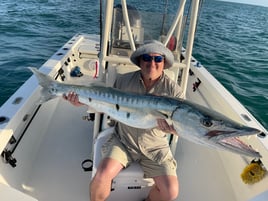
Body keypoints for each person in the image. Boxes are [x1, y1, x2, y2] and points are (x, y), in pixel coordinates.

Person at [64, 40, 182, 201]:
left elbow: (182, 126)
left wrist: (172, 129)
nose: (152, 63)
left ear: (164, 62)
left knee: (171, 192)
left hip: (156, 146)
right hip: (124, 141)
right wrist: (81, 102)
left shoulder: (174, 91)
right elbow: (106, 105)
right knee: (101, 177)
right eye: (147, 58)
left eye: (158, 59)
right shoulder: (123, 81)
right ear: (140, 61)